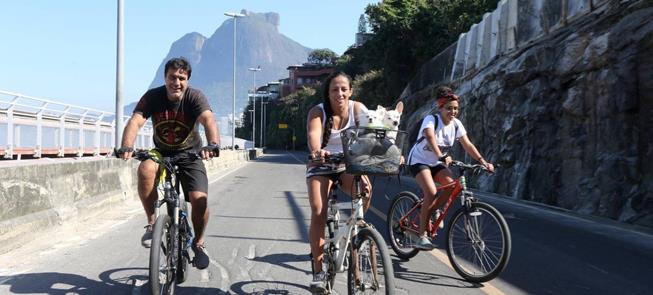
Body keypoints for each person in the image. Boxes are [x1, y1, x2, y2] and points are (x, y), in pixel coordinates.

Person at [117, 57, 220, 270]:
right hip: (161, 153)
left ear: (187, 80)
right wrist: (126, 146)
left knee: (199, 200)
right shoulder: (153, 96)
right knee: (145, 169)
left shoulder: (195, 97)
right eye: (172, 77)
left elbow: (208, 119)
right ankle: (153, 222)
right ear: (165, 78)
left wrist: (212, 144)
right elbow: (136, 120)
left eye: (182, 78)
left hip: (190, 154)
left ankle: (198, 243)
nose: (177, 82)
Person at [305, 71, 371, 293]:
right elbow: (314, 136)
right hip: (321, 164)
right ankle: (318, 270)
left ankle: (357, 233)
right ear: (328, 92)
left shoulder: (358, 109)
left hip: (347, 164)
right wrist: (317, 151)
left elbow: (373, 134)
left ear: (351, 91)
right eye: (334, 89)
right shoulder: (318, 111)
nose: (340, 93)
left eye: (344, 89)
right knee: (318, 209)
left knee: (366, 190)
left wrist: (390, 151)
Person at [406, 86, 494, 250]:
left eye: (455, 109)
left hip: (437, 162)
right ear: (441, 107)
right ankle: (421, 235)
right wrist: (440, 155)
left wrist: (483, 161)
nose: (453, 112)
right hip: (419, 161)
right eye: (449, 108)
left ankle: (431, 211)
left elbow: (467, 144)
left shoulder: (456, 124)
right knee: (431, 192)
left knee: (451, 186)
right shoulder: (432, 120)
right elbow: (430, 137)